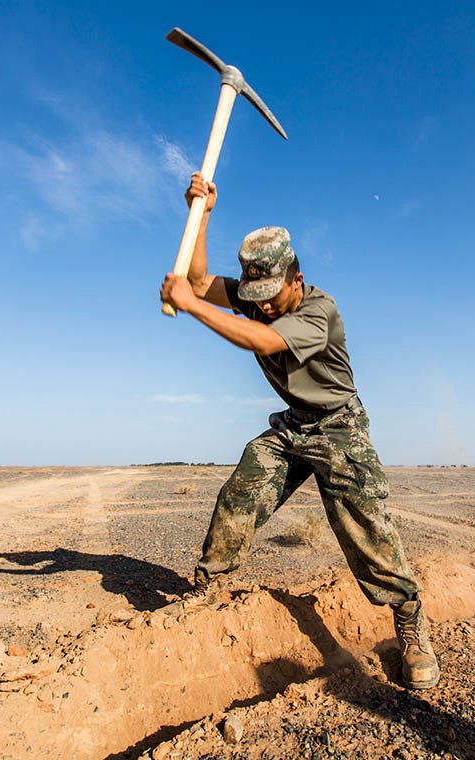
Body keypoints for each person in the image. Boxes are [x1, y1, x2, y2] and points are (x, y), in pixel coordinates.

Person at [158, 173, 439, 690]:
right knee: (241, 492)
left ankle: (410, 621)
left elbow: (263, 341)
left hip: (338, 429)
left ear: (297, 278)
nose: (261, 304)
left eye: (271, 295)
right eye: (254, 295)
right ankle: (208, 587)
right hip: (294, 425)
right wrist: (203, 216)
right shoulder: (257, 296)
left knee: (367, 531)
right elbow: (198, 283)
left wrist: (194, 307)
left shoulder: (318, 310)